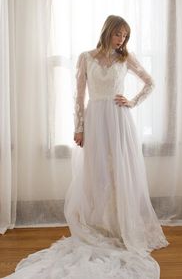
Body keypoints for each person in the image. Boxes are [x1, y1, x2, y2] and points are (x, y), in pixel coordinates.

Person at [5, 15, 168, 279]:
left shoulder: (125, 58)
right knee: (97, 174)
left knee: (120, 173)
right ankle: (100, 226)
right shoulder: (86, 57)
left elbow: (150, 82)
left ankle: (121, 226)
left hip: (118, 120)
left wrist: (133, 101)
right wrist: (78, 127)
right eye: (118, 34)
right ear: (107, 32)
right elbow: (78, 96)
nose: (122, 39)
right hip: (95, 119)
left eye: (125, 36)